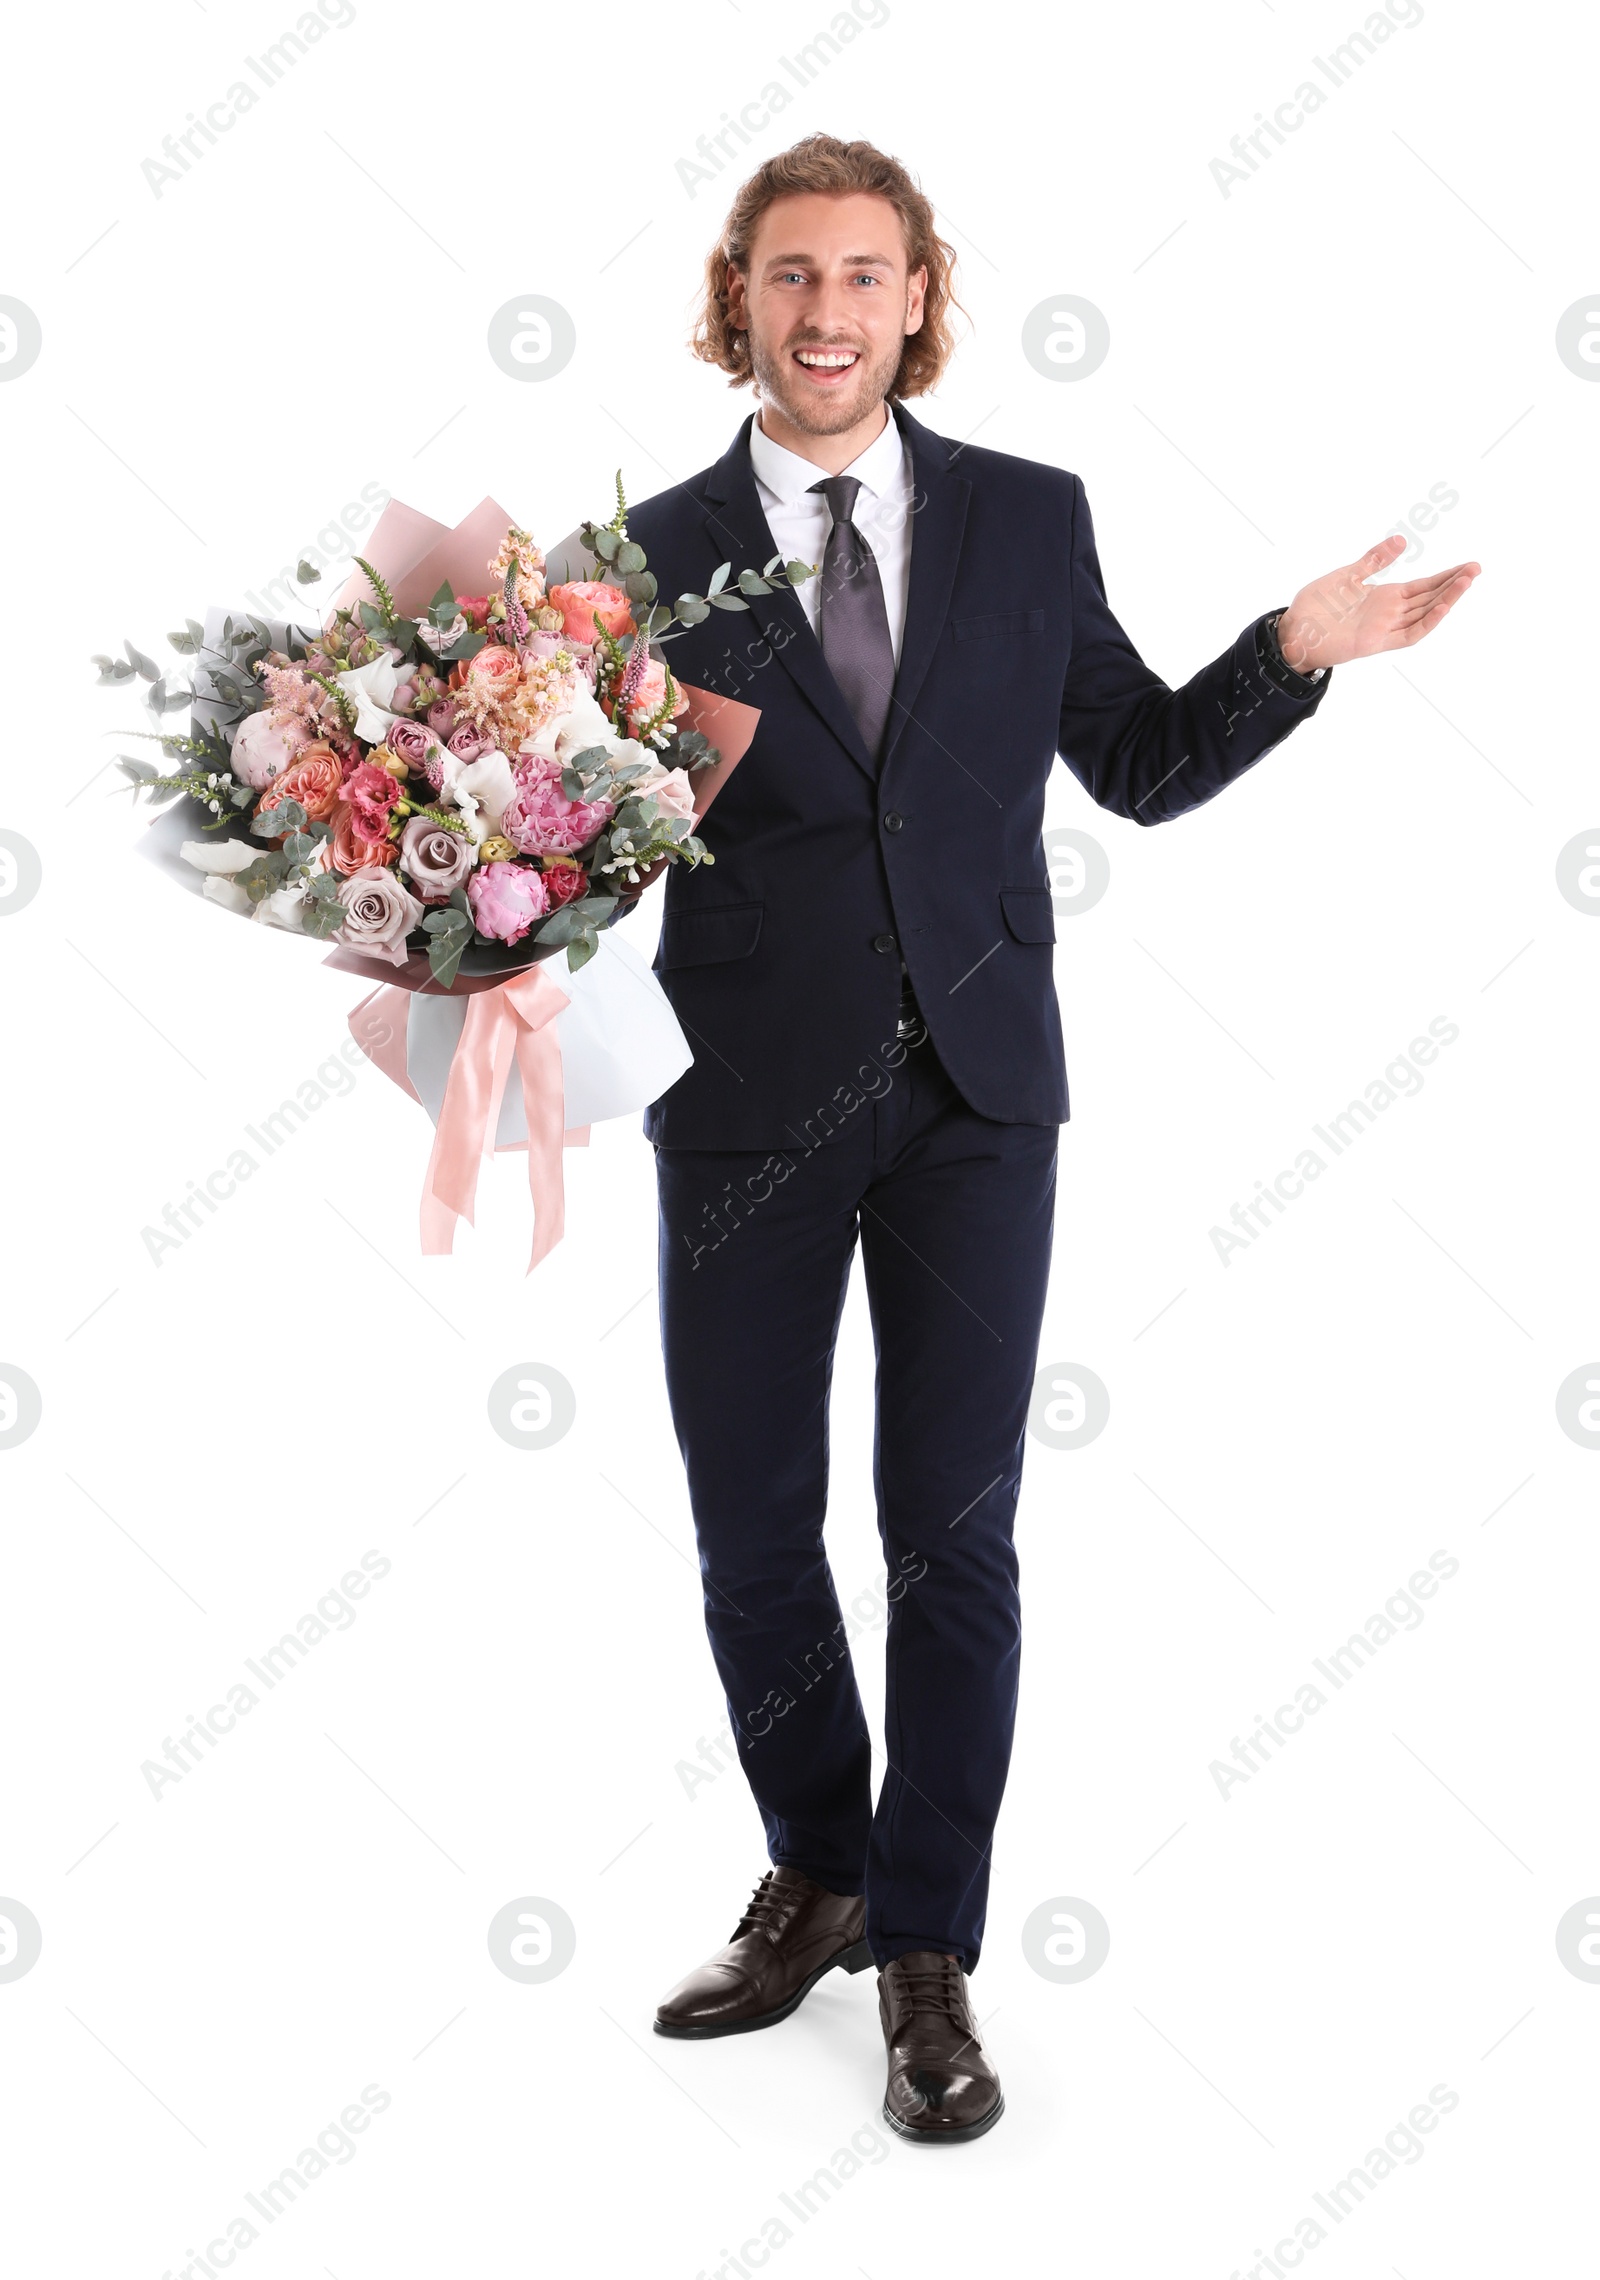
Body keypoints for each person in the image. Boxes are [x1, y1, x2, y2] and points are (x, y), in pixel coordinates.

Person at [582, 132, 1480, 2144]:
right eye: (791, 277)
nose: (827, 313)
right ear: (741, 298)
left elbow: (1139, 763)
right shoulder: (635, 556)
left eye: (864, 276)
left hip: (979, 1104)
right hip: (738, 1107)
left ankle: (922, 1948)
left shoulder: (1022, 519)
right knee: (747, 1531)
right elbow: (577, 832)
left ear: (918, 299)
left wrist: (1288, 655)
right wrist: (437, 876)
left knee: (951, 1536)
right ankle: (811, 1869)